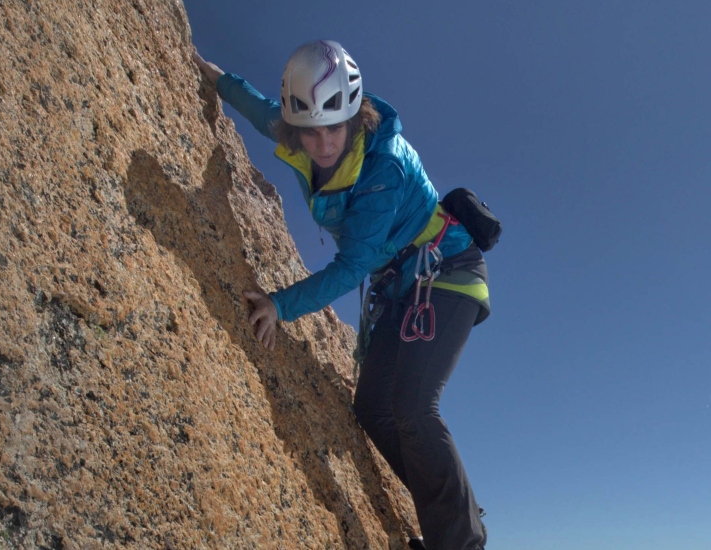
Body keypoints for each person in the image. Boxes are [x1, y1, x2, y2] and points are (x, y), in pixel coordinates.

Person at [193, 40, 489, 550]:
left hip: (447, 273)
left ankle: (460, 542)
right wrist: (208, 73)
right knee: (373, 408)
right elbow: (259, 106)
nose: (324, 143)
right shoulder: (298, 130)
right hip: (402, 284)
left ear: (354, 117)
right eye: (310, 133)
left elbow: (351, 266)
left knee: (415, 407)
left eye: (334, 128)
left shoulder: (382, 170)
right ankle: (450, 505)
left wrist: (278, 304)